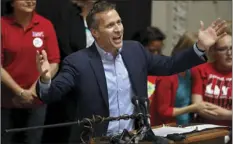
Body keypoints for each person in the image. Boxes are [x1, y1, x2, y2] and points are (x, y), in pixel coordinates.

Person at [36, 0, 227, 140]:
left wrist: (200, 47)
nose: (118, 29)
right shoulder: (78, 62)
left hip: (138, 136)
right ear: (95, 33)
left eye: (119, 22)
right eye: (110, 25)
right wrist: (45, 79)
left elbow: (169, 66)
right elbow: (52, 94)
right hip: (100, 139)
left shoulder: (135, 50)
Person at [36, 0, 96, 143]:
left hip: (96, 82)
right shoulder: (66, 13)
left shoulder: (102, 12)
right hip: (71, 81)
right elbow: (65, 47)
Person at [1, 0, 60, 144]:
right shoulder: (2, 25)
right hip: (5, 100)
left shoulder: (45, 25)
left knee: (34, 140)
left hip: (37, 99)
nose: (30, 1)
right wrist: (20, 92)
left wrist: (33, 91)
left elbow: (54, 62)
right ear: (12, 3)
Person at [150, 32, 215, 126]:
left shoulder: (192, 72)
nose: (203, 58)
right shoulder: (167, 76)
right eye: (200, 54)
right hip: (165, 127)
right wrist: (193, 108)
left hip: (185, 126)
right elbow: (164, 111)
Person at [192, 32, 232, 127]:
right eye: (222, 49)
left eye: (232, 48)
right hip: (204, 131)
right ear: (213, 52)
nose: (229, 53)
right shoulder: (200, 70)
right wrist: (230, 114)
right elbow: (198, 106)